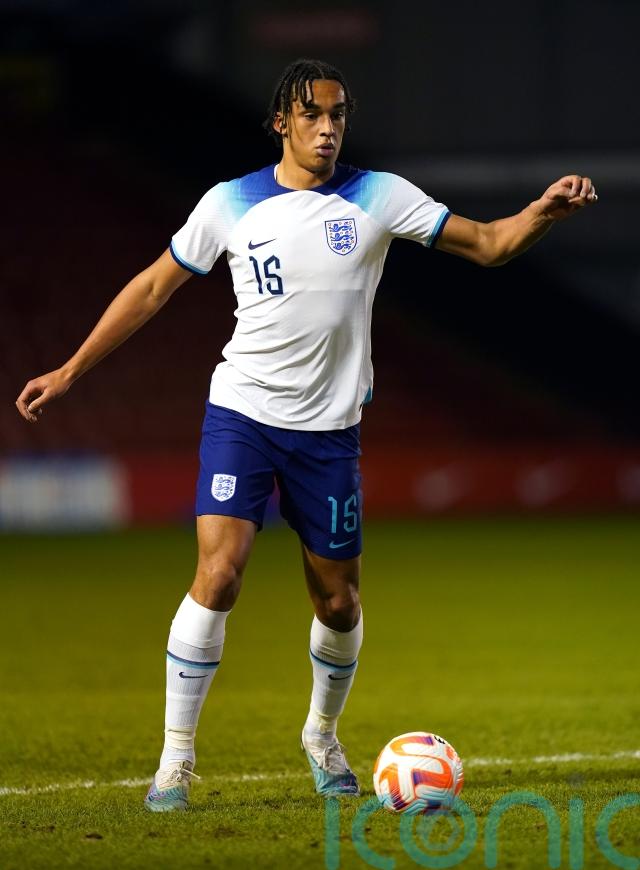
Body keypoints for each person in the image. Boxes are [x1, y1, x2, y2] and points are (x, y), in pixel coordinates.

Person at [16, 58, 597, 812]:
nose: (328, 128)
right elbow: (154, 286)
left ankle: (321, 736)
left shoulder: (379, 195)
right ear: (281, 123)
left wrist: (542, 212)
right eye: (312, 115)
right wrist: (69, 370)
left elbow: (488, 244)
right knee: (219, 574)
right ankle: (175, 759)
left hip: (329, 434)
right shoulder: (229, 203)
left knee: (340, 604)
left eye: (338, 115)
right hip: (243, 415)